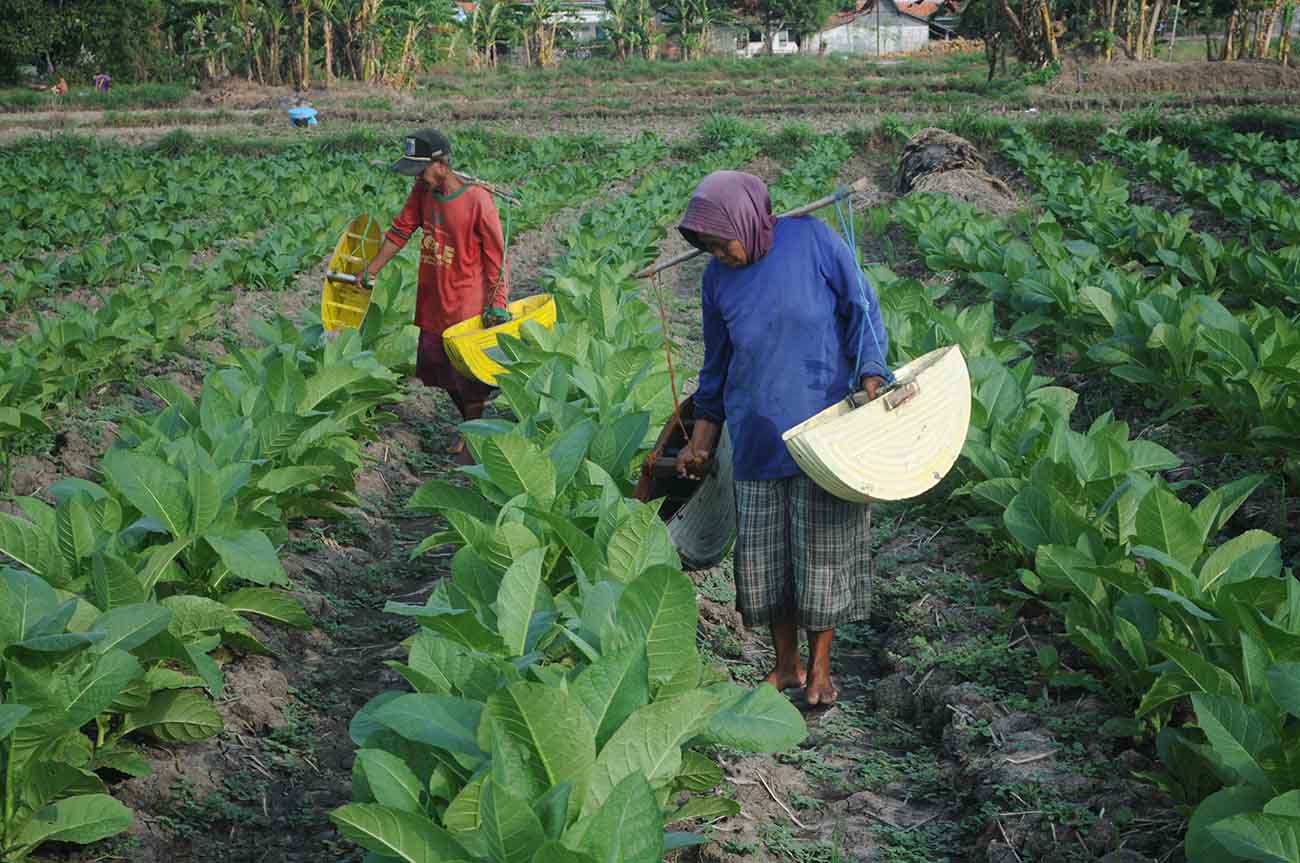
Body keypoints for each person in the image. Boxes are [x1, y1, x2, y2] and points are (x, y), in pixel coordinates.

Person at [674, 171, 888, 708]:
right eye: (707, 246)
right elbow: (716, 367)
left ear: (748, 219)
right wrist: (701, 439)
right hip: (757, 436)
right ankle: (785, 666)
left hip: (826, 432)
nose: (718, 253)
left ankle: (821, 669)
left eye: (723, 241)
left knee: (822, 556)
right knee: (768, 562)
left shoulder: (812, 240)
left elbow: (862, 308)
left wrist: (872, 375)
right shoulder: (716, 281)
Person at [359, 129, 509, 463]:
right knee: (436, 368)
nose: (418, 177)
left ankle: (473, 436)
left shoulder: (477, 201)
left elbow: (497, 259)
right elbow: (401, 229)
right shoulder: (422, 192)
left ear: (441, 164)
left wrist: (497, 304)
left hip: (466, 301)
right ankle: (472, 425)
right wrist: (372, 269)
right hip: (433, 299)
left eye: (421, 169)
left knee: (467, 375)